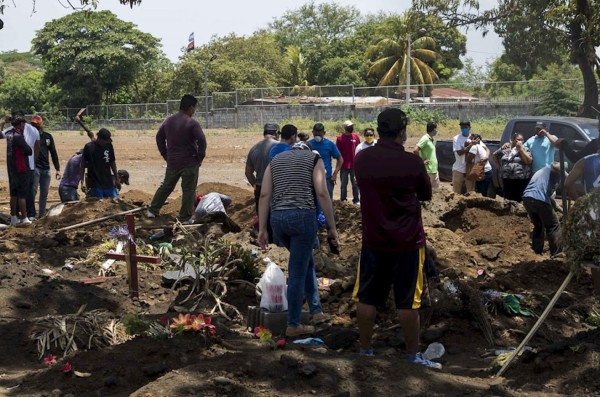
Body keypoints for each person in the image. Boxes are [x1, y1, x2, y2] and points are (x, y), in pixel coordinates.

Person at [353, 108, 439, 369]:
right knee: (408, 301)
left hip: (374, 240)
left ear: (378, 130)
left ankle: (365, 349)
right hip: (408, 243)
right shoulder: (412, 162)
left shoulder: (363, 160)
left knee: (367, 298)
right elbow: (426, 194)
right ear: (402, 132)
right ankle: (412, 356)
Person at [258, 136, 339, 338]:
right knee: (296, 270)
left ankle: (316, 310)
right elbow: (322, 192)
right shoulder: (314, 159)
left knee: (305, 261)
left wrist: (262, 229)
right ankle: (293, 323)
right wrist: (332, 226)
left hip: (278, 221)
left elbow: (264, 195)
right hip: (303, 219)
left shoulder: (275, 161)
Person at [147, 94, 207, 223]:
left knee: (167, 186)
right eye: (194, 108)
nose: (194, 111)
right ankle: (185, 218)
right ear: (191, 107)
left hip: (173, 162)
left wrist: (165, 154)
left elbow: (159, 137)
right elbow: (202, 140)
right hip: (190, 162)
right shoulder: (192, 122)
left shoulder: (168, 121)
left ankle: (152, 210)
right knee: (189, 190)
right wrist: (200, 157)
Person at [565, 144, 600, 297]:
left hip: (592, 212)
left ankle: (598, 292)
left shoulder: (585, 161)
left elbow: (567, 183)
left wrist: (578, 200)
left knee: (595, 254)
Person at [1, 110, 40, 220]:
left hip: (13, 166)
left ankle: (16, 216)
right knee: (26, 192)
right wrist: (34, 161)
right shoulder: (31, 130)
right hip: (25, 165)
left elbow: (1, 135)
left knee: (15, 192)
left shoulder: (10, 132)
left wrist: (3, 122)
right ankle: (28, 215)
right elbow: (35, 148)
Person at [522, 162, 566, 256]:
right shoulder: (554, 171)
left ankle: (536, 252)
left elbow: (550, 200)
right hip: (539, 199)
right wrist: (567, 175)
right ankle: (557, 253)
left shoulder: (544, 173)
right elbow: (557, 166)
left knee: (538, 225)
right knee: (553, 226)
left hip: (527, 198)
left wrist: (562, 210)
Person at [4, 116, 33, 226]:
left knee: (13, 194)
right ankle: (25, 218)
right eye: (23, 124)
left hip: (12, 168)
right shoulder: (18, 136)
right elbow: (29, 150)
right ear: (20, 124)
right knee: (22, 194)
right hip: (21, 168)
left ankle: (13, 217)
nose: (24, 126)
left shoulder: (9, 135)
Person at [30, 114, 60, 218]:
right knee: (32, 192)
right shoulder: (30, 136)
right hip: (35, 168)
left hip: (46, 169)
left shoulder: (48, 137)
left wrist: (57, 169)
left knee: (44, 193)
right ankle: (32, 214)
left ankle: (41, 215)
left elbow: (53, 152)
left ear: (41, 124)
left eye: (37, 124)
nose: (35, 126)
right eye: (33, 124)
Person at [245, 123, 279, 212]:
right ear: (276, 133)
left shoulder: (254, 148)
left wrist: (255, 187)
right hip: (276, 188)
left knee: (262, 218)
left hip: (260, 188)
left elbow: (248, 172)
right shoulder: (279, 147)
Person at [80, 129, 121, 198]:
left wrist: (117, 178)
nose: (106, 143)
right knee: (98, 202)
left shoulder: (109, 146)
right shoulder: (89, 147)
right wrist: (82, 182)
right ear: (99, 138)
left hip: (108, 183)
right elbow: (83, 165)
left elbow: (112, 163)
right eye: (104, 141)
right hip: (95, 183)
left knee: (115, 200)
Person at [493, 133, 532, 202]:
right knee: (508, 197)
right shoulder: (506, 148)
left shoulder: (525, 149)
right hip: (506, 178)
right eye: (518, 140)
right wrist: (499, 167)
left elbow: (529, 161)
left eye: (522, 140)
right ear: (513, 140)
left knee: (519, 198)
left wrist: (520, 149)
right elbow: (495, 155)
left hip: (520, 178)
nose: (520, 141)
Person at [307, 122, 342, 199]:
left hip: (327, 179)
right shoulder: (308, 145)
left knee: (328, 200)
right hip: (311, 179)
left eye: (320, 135)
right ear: (312, 133)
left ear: (324, 133)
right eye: (315, 134)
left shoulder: (330, 144)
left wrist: (335, 173)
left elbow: (340, 159)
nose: (317, 137)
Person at [336, 120, 361, 204]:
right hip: (344, 166)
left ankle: (356, 200)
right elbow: (337, 153)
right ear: (345, 128)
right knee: (343, 185)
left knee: (355, 184)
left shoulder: (356, 137)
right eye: (349, 126)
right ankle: (343, 200)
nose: (351, 128)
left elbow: (359, 149)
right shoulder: (339, 138)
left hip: (355, 165)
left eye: (351, 126)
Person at [451, 120, 476, 194]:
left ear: (469, 127)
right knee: (456, 192)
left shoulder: (473, 138)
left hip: (469, 169)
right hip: (458, 169)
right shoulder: (456, 138)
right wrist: (471, 145)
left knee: (470, 192)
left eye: (465, 127)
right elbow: (459, 152)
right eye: (462, 128)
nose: (463, 129)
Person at [414, 122, 439, 189]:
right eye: (436, 129)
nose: (436, 131)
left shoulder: (430, 139)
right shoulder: (425, 138)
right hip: (428, 170)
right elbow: (415, 150)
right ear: (433, 129)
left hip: (434, 170)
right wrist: (421, 161)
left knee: (436, 193)